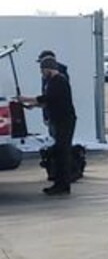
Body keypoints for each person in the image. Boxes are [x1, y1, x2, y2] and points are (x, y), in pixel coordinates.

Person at [17, 57, 77, 195]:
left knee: (62, 151)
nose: (42, 73)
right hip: (58, 119)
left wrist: (25, 98)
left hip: (64, 121)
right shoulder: (52, 82)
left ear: (48, 69)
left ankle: (62, 184)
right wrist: (32, 106)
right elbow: (49, 101)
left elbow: (47, 98)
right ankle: (60, 182)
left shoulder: (59, 81)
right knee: (59, 151)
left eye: (42, 70)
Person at [36, 49, 69, 137]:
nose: (41, 69)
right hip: (51, 113)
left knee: (58, 139)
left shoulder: (59, 77)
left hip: (58, 116)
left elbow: (50, 97)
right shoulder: (47, 75)